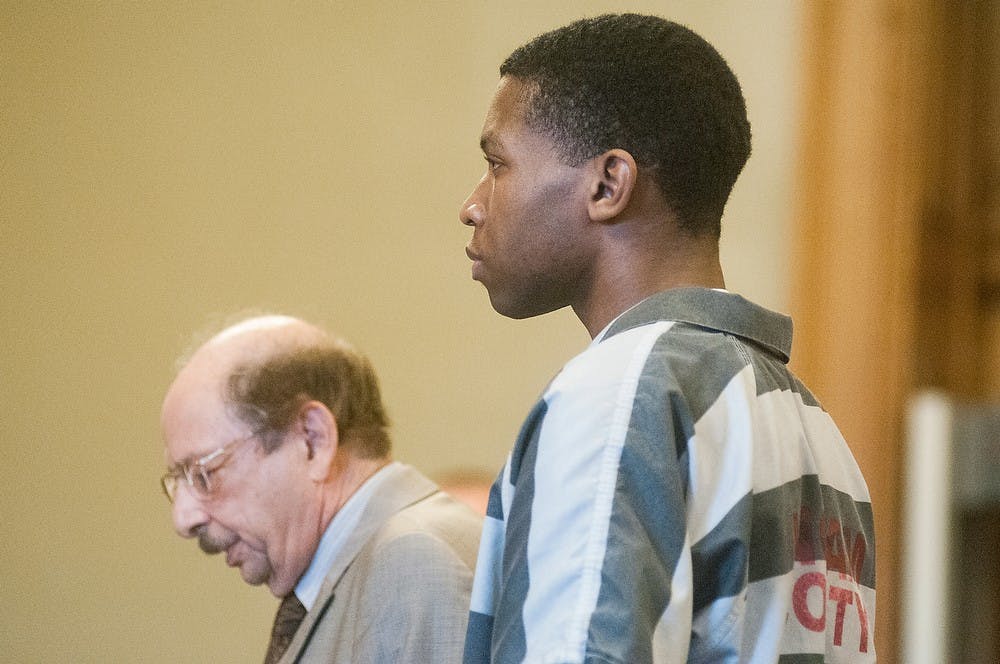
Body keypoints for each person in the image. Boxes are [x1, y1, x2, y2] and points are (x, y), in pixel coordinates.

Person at [458, 14, 875, 663]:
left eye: (497, 164)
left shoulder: (618, 395)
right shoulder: (815, 427)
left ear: (607, 185)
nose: (474, 203)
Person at [159, 315, 482, 663]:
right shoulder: (374, 569)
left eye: (204, 474)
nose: (183, 518)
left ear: (312, 440)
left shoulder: (416, 564)